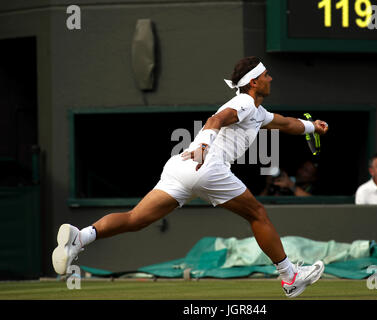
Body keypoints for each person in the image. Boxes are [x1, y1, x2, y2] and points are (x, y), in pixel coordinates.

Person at [52, 56, 329, 298]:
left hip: (181, 167)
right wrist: (203, 145)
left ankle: (81, 237)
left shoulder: (257, 111)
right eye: (266, 75)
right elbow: (215, 120)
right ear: (254, 82)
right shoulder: (244, 101)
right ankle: (290, 276)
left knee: (136, 219)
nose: (271, 78)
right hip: (207, 165)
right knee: (257, 214)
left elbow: (284, 123)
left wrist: (311, 127)